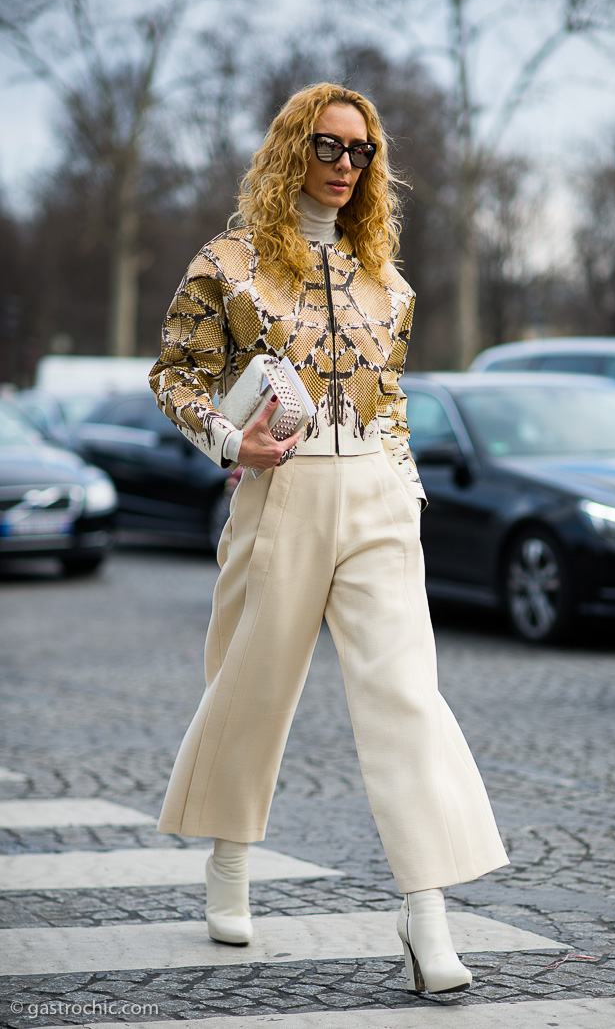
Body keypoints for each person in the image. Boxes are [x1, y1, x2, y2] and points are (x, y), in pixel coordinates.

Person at [149, 82, 509, 995]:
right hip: (283, 488)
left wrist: (408, 491)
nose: (347, 167)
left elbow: (391, 401)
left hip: (381, 494)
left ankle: (426, 913)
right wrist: (234, 441)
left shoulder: (388, 280)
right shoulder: (228, 263)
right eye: (329, 147)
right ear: (291, 150)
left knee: (407, 697)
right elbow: (175, 375)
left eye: (362, 153)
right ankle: (229, 860)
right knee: (253, 683)